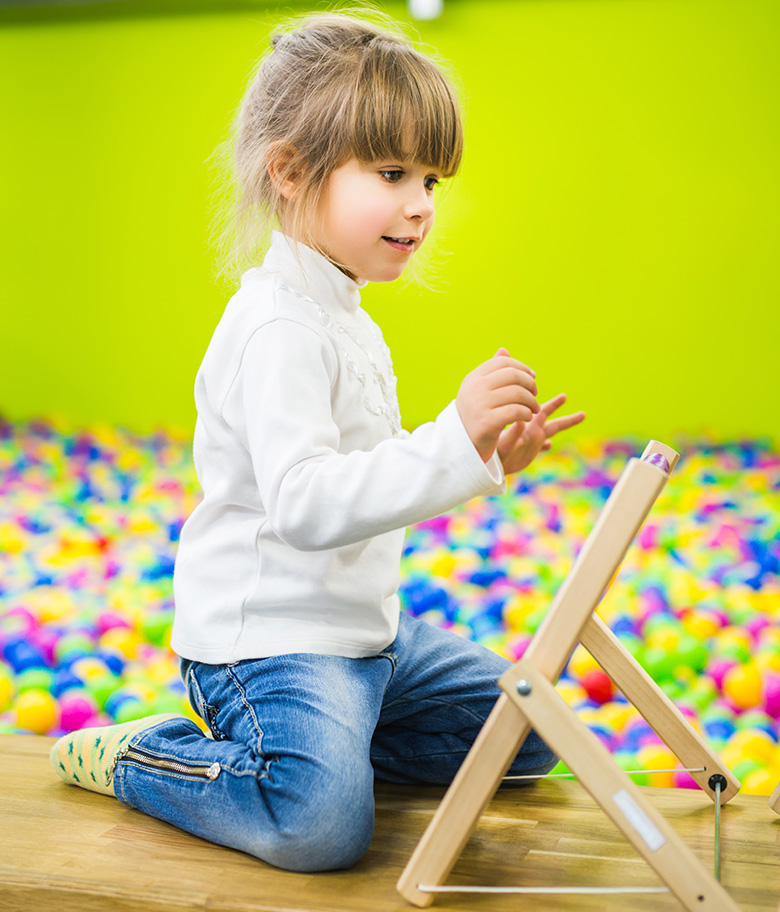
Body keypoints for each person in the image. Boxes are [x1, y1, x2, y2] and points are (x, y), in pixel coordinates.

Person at [50, 9, 584, 872]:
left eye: (431, 181)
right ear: (292, 172)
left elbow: (364, 469)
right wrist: (452, 437)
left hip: (366, 639)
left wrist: (482, 458)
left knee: (528, 733)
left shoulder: (340, 309)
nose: (419, 204)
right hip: (270, 643)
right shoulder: (276, 326)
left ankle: (326, 755)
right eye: (392, 172)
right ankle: (144, 755)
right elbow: (304, 503)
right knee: (321, 829)